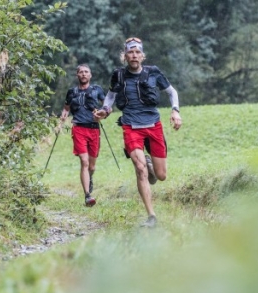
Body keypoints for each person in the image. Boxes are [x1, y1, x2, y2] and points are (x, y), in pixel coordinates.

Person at [94, 37, 182, 228]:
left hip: (153, 125)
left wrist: (175, 111)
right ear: (124, 56)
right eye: (130, 52)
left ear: (142, 55)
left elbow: (172, 92)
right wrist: (105, 110)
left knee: (161, 176)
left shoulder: (154, 72)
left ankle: (150, 163)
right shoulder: (118, 75)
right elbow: (110, 96)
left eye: (137, 52)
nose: (134, 56)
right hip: (131, 126)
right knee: (140, 170)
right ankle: (151, 216)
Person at [59, 64, 106, 207]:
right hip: (78, 128)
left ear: (90, 75)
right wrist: (63, 119)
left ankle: (90, 178)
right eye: (81, 72)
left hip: (93, 129)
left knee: (91, 166)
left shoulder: (97, 90)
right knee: (84, 162)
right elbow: (66, 108)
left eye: (86, 72)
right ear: (77, 75)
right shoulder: (71, 92)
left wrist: (101, 115)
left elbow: (107, 106)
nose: (84, 74)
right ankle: (87, 195)